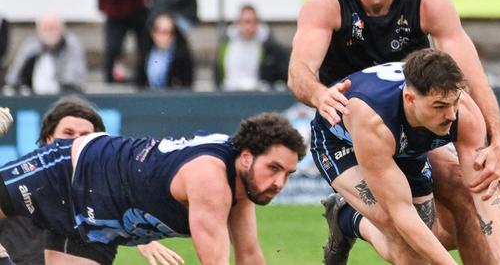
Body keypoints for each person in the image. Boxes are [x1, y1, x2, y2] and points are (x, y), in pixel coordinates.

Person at [288, 0, 500, 263]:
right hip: (352, 132)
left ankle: (348, 217)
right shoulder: (328, 2)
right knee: (407, 242)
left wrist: (499, 141)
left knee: (455, 210)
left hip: (410, 114)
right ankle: (350, 219)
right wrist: (318, 93)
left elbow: (471, 77)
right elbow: (298, 71)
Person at [0, 112, 305, 264]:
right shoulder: (212, 179)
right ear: (248, 158)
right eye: (274, 169)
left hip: (99, 220)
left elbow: (250, 257)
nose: (279, 183)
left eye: (288, 174)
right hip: (72, 171)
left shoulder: (242, 186)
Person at [311, 49, 500, 264]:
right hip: (341, 143)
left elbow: (484, 188)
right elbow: (401, 212)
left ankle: (345, 216)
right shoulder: (374, 120)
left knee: (433, 236)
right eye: (440, 106)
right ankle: (347, 218)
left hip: (402, 141)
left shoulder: (464, 113)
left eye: (454, 102)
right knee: (400, 234)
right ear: (410, 99)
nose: (451, 115)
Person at [0, 96, 184, 265]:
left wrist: (137, 234)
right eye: (68, 133)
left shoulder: (98, 208)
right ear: (49, 139)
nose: (75, 143)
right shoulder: (18, 186)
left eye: (85, 137)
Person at [3, 14, 86, 95]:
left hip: (62, 98)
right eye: (46, 28)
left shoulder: (71, 47)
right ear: (38, 30)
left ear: (62, 29)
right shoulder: (30, 48)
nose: (50, 32)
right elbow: (13, 78)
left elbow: (72, 81)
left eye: (54, 28)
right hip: (32, 98)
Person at [214, 5, 289, 91]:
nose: (249, 26)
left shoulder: (269, 47)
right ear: (238, 23)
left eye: (253, 22)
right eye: (246, 22)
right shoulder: (226, 45)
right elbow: (218, 72)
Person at [136, 13, 194, 89]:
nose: (164, 36)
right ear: (153, 33)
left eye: (169, 32)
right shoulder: (145, 52)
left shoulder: (181, 56)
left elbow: (187, 83)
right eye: (161, 31)